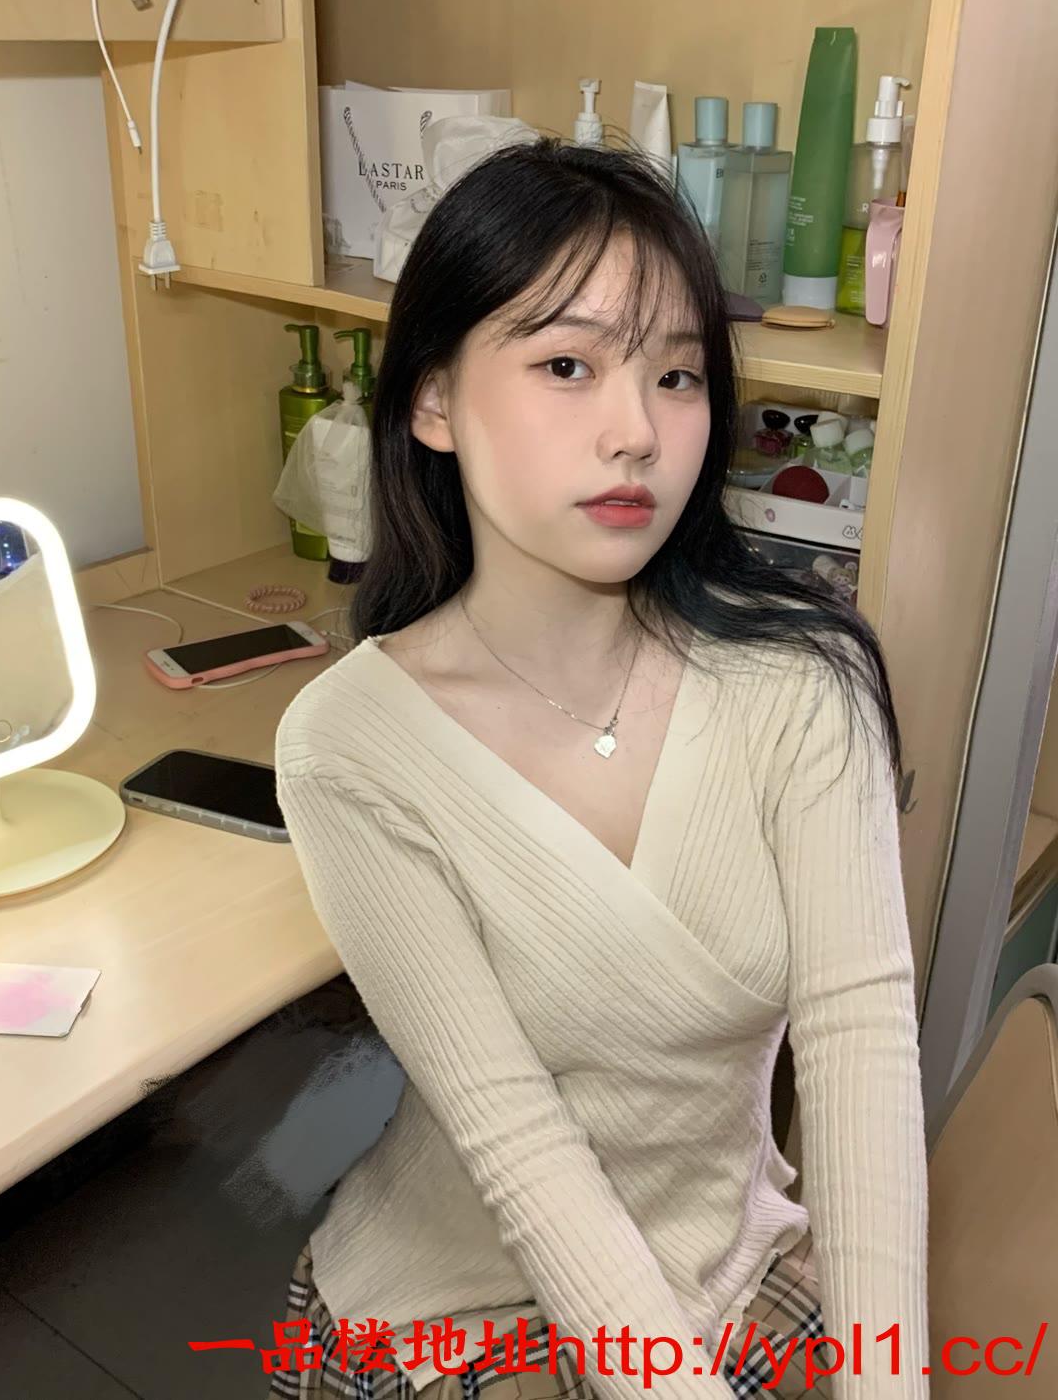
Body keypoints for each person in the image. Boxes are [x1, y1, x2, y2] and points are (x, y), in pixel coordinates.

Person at [269, 136, 928, 1400]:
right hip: (469, 1306)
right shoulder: (351, 744)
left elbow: (860, 1044)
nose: (636, 433)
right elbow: (518, 1144)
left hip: (729, 1267)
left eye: (676, 375)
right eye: (567, 365)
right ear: (434, 401)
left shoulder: (801, 679)